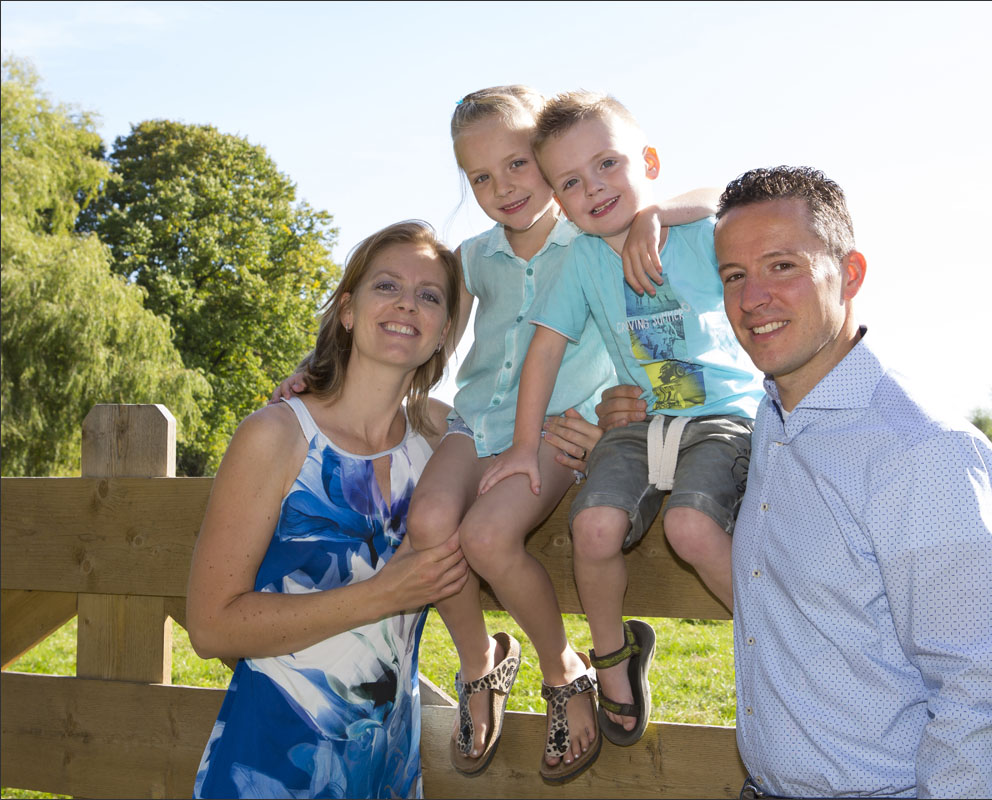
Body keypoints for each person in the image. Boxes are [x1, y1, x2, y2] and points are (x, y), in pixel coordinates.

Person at [271, 85, 718, 784]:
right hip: (477, 425)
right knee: (430, 520)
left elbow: (717, 198)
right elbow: (419, 329)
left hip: (555, 431)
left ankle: (562, 669)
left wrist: (655, 212)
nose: (502, 186)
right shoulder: (475, 256)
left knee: (486, 537)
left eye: (517, 165)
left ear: (547, 161)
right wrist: (316, 367)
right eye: (480, 177)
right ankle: (480, 663)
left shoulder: (596, 238)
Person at [712, 166, 992, 798]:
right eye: (734, 276)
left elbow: (975, 700)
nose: (753, 299)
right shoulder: (774, 420)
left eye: (783, 266)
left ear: (850, 274)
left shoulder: (922, 452)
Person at [479, 91, 761, 754]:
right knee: (593, 525)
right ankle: (613, 657)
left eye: (608, 163)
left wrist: (657, 214)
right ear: (558, 196)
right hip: (642, 423)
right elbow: (543, 348)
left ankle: (768, 646)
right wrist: (525, 445)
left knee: (693, 527)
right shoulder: (580, 261)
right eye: (570, 181)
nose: (593, 187)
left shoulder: (692, 233)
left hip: (722, 416)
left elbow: (730, 194)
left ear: (649, 162)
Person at [187, 221, 471, 799]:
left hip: (387, 769)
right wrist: (382, 595)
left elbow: (540, 438)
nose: (406, 305)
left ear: (445, 330)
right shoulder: (279, 435)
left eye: (429, 296)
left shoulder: (444, 442)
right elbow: (210, 626)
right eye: (386, 286)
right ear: (347, 310)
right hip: (271, 764)